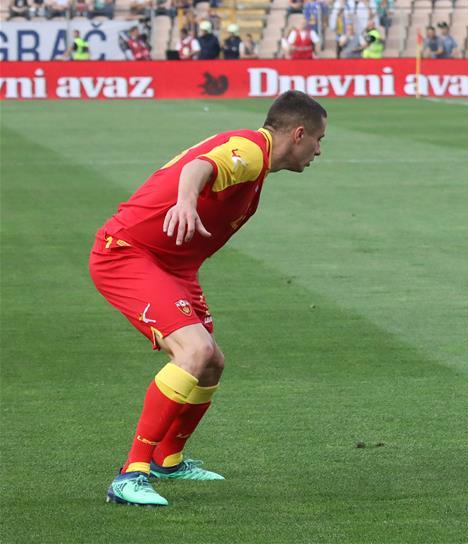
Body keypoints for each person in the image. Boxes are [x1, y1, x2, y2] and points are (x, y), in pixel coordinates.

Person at [90, 91, 328, 507]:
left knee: (212, 361)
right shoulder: (252, 151)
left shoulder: (256, 163)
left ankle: (169, 458)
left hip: (174, 268)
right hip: (128, 254)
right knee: (195, 351)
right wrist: (185, 201)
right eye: (319, 140)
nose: (319, 151)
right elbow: (201, 166)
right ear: (299, 133)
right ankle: (130, 475)